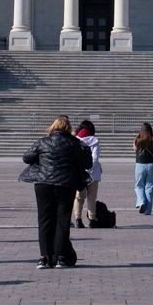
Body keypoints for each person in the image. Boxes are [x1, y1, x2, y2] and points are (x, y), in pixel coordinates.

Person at [21, 115, 89, 269]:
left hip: (43, 184)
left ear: (52, 127)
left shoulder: (43, 142)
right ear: (69, 128)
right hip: (65, 184)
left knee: (44, 220)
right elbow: (87, 162)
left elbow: (26, 157)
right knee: (62, 220)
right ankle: (61, 257)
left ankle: (43, 257)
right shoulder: (73, 143)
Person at [72, 120, 102, 226]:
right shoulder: (95, 141)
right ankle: (92, 220)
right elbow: (95, 157)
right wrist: (90, 168)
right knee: (91, 197)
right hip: (94, 173)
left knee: (79, 197)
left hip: (80, 173)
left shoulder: (75, 141)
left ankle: (78, 220)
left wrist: (82, 169)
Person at [132, 123, 153, 215]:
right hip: (152, 165)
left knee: (139, 186)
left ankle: (141, 202)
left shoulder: (137, 139)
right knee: (149, 187)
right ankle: (148, 210)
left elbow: (135, 149)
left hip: (140, 164)